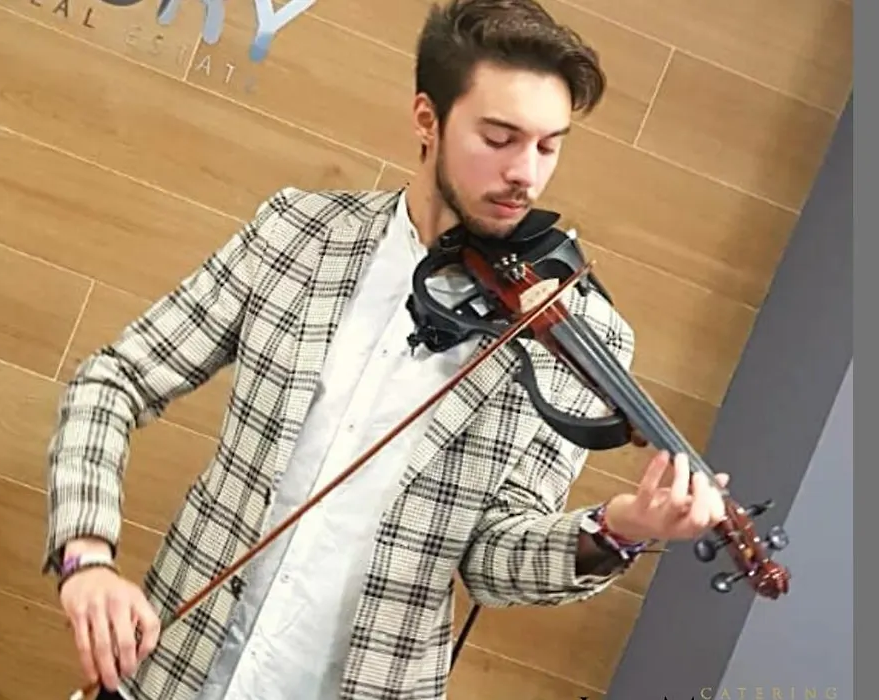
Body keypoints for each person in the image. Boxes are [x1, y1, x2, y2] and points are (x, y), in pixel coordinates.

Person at [43, 1, 730, 698]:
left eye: (549, 146)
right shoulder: (299, 233)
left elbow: (492, 561)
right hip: (171, 670)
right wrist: (86, 557)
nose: (526, 173)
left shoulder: (575, 330)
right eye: (499, 138)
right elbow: (115, 380)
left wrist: (618, 528)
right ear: (427, 120)